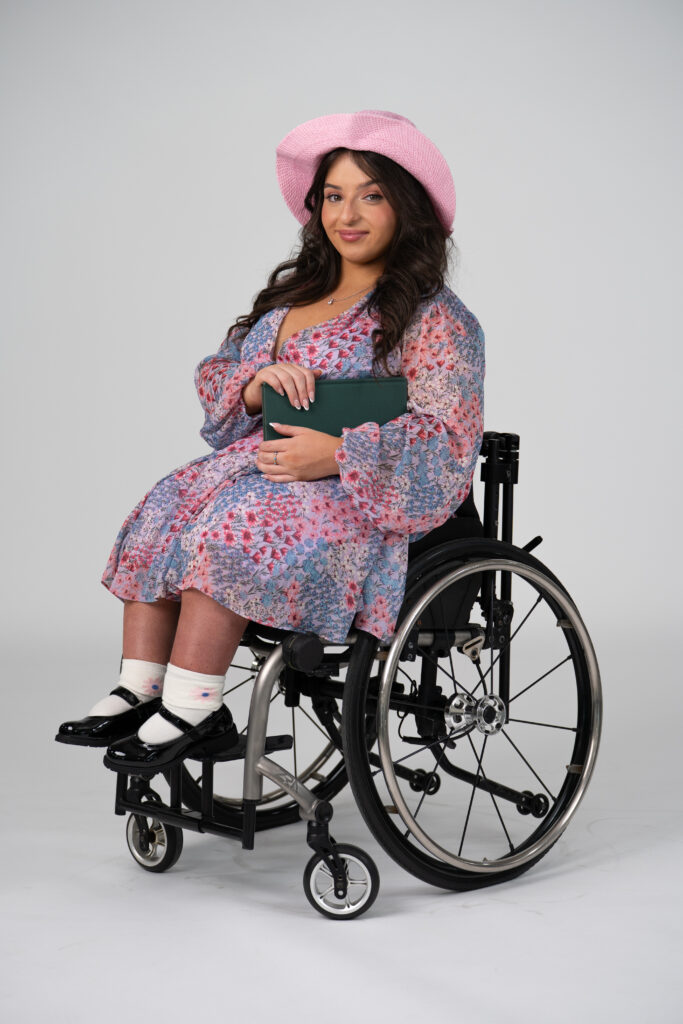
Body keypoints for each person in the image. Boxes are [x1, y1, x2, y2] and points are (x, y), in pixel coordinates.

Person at [56, 108, 485, 773]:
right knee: (167, 502)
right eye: (333, 196)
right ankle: (141, 683)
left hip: (358, 499)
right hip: (257, 466)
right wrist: (256, 385)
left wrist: (337, 454)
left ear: (405, 207)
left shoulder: (433, 317)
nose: (348, 213)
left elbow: (446, 435)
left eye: (370, 195)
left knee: (235, 524)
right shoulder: (291, 299)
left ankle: (195, 704)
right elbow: (221, 378)